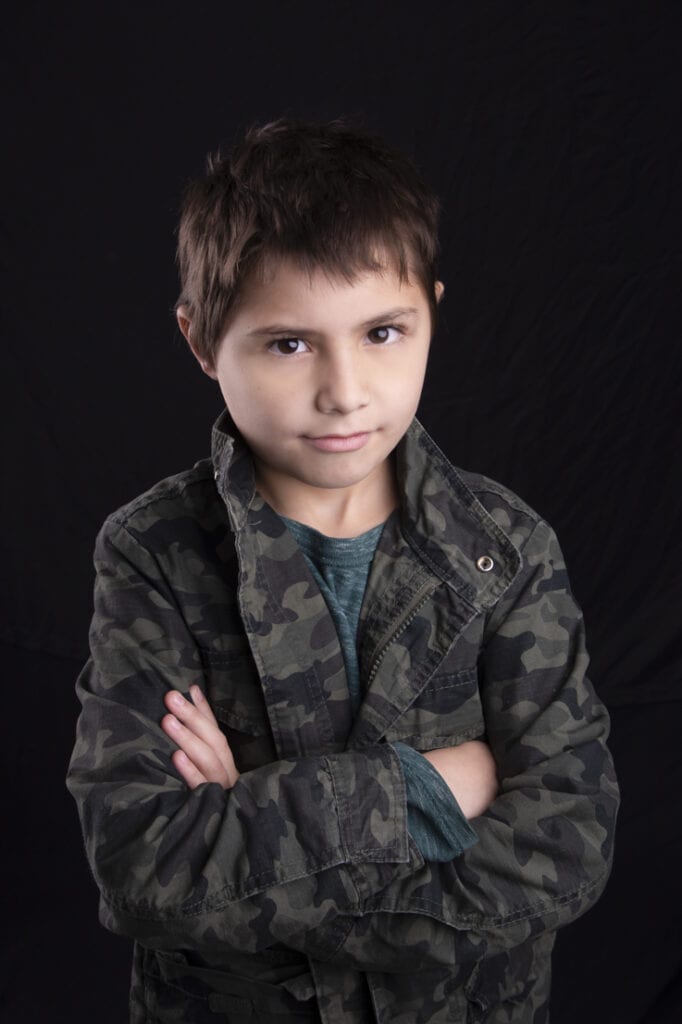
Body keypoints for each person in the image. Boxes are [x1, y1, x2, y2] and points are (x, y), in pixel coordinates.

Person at [66, 118, 619, 1024]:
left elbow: (567, 851)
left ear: (432, 311)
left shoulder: (505, 549)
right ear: (201, 341)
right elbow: (145, 871)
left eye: (383, 332)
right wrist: (426, 790)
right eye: (289, 344)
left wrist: (250, 828)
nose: (347, 392)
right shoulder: (156, 553)